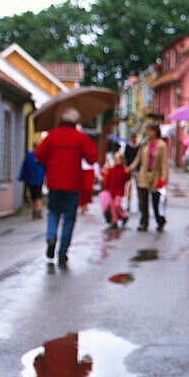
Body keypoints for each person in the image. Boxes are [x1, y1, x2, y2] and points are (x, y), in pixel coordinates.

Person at [33, 107, 97, 268]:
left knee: (53, 212)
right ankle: (63, 252)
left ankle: (51, 237)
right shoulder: (80, 138)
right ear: (75, 122)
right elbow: (92, 158)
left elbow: (39, 155)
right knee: (69, 218)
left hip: (54, 183)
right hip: (73, 184)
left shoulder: (51, 136)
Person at [127, 123, 168, 231]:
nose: (148, 133)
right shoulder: (145, 143)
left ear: (155, 131)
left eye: (150, 130)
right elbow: (138, 158)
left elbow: (164, 163)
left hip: (156, 175)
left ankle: (160, 220)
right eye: (148, 130)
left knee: (155, 201)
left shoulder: (161, 145)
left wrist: (163, 178)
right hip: (144, 174)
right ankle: (144, 222)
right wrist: (129, 168)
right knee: (143, 199)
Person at [100, 152, 130, 227]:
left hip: (118, 191)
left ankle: (123, 216)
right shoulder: (111, 170)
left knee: (117, 204)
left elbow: (127, 178)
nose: (116, 161)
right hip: (111, 190)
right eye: (115, 159)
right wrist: (106, 189)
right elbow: (108, 180)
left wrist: (127, 173)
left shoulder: (123, 170)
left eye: (118, 159)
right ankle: (114, 220)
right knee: (112, 206)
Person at [18, 149, 45, 219]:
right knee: (38, 195)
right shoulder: (41, 155)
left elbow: (24, 166)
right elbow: (45, 166)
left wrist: (22, 176)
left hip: (30, 179)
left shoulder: (29, 155)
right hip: (38, 178)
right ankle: (38, 211)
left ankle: (34, 211)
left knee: (33, 196)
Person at [123, 132, 140, 213]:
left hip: (137, 170)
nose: (133, 138)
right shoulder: (128, 146)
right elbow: (125, 158)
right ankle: (128, 204)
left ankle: (140, 205)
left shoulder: (139, 146)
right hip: (129, 169)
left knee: (139, 188)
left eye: (134, 137)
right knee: (129, 187)